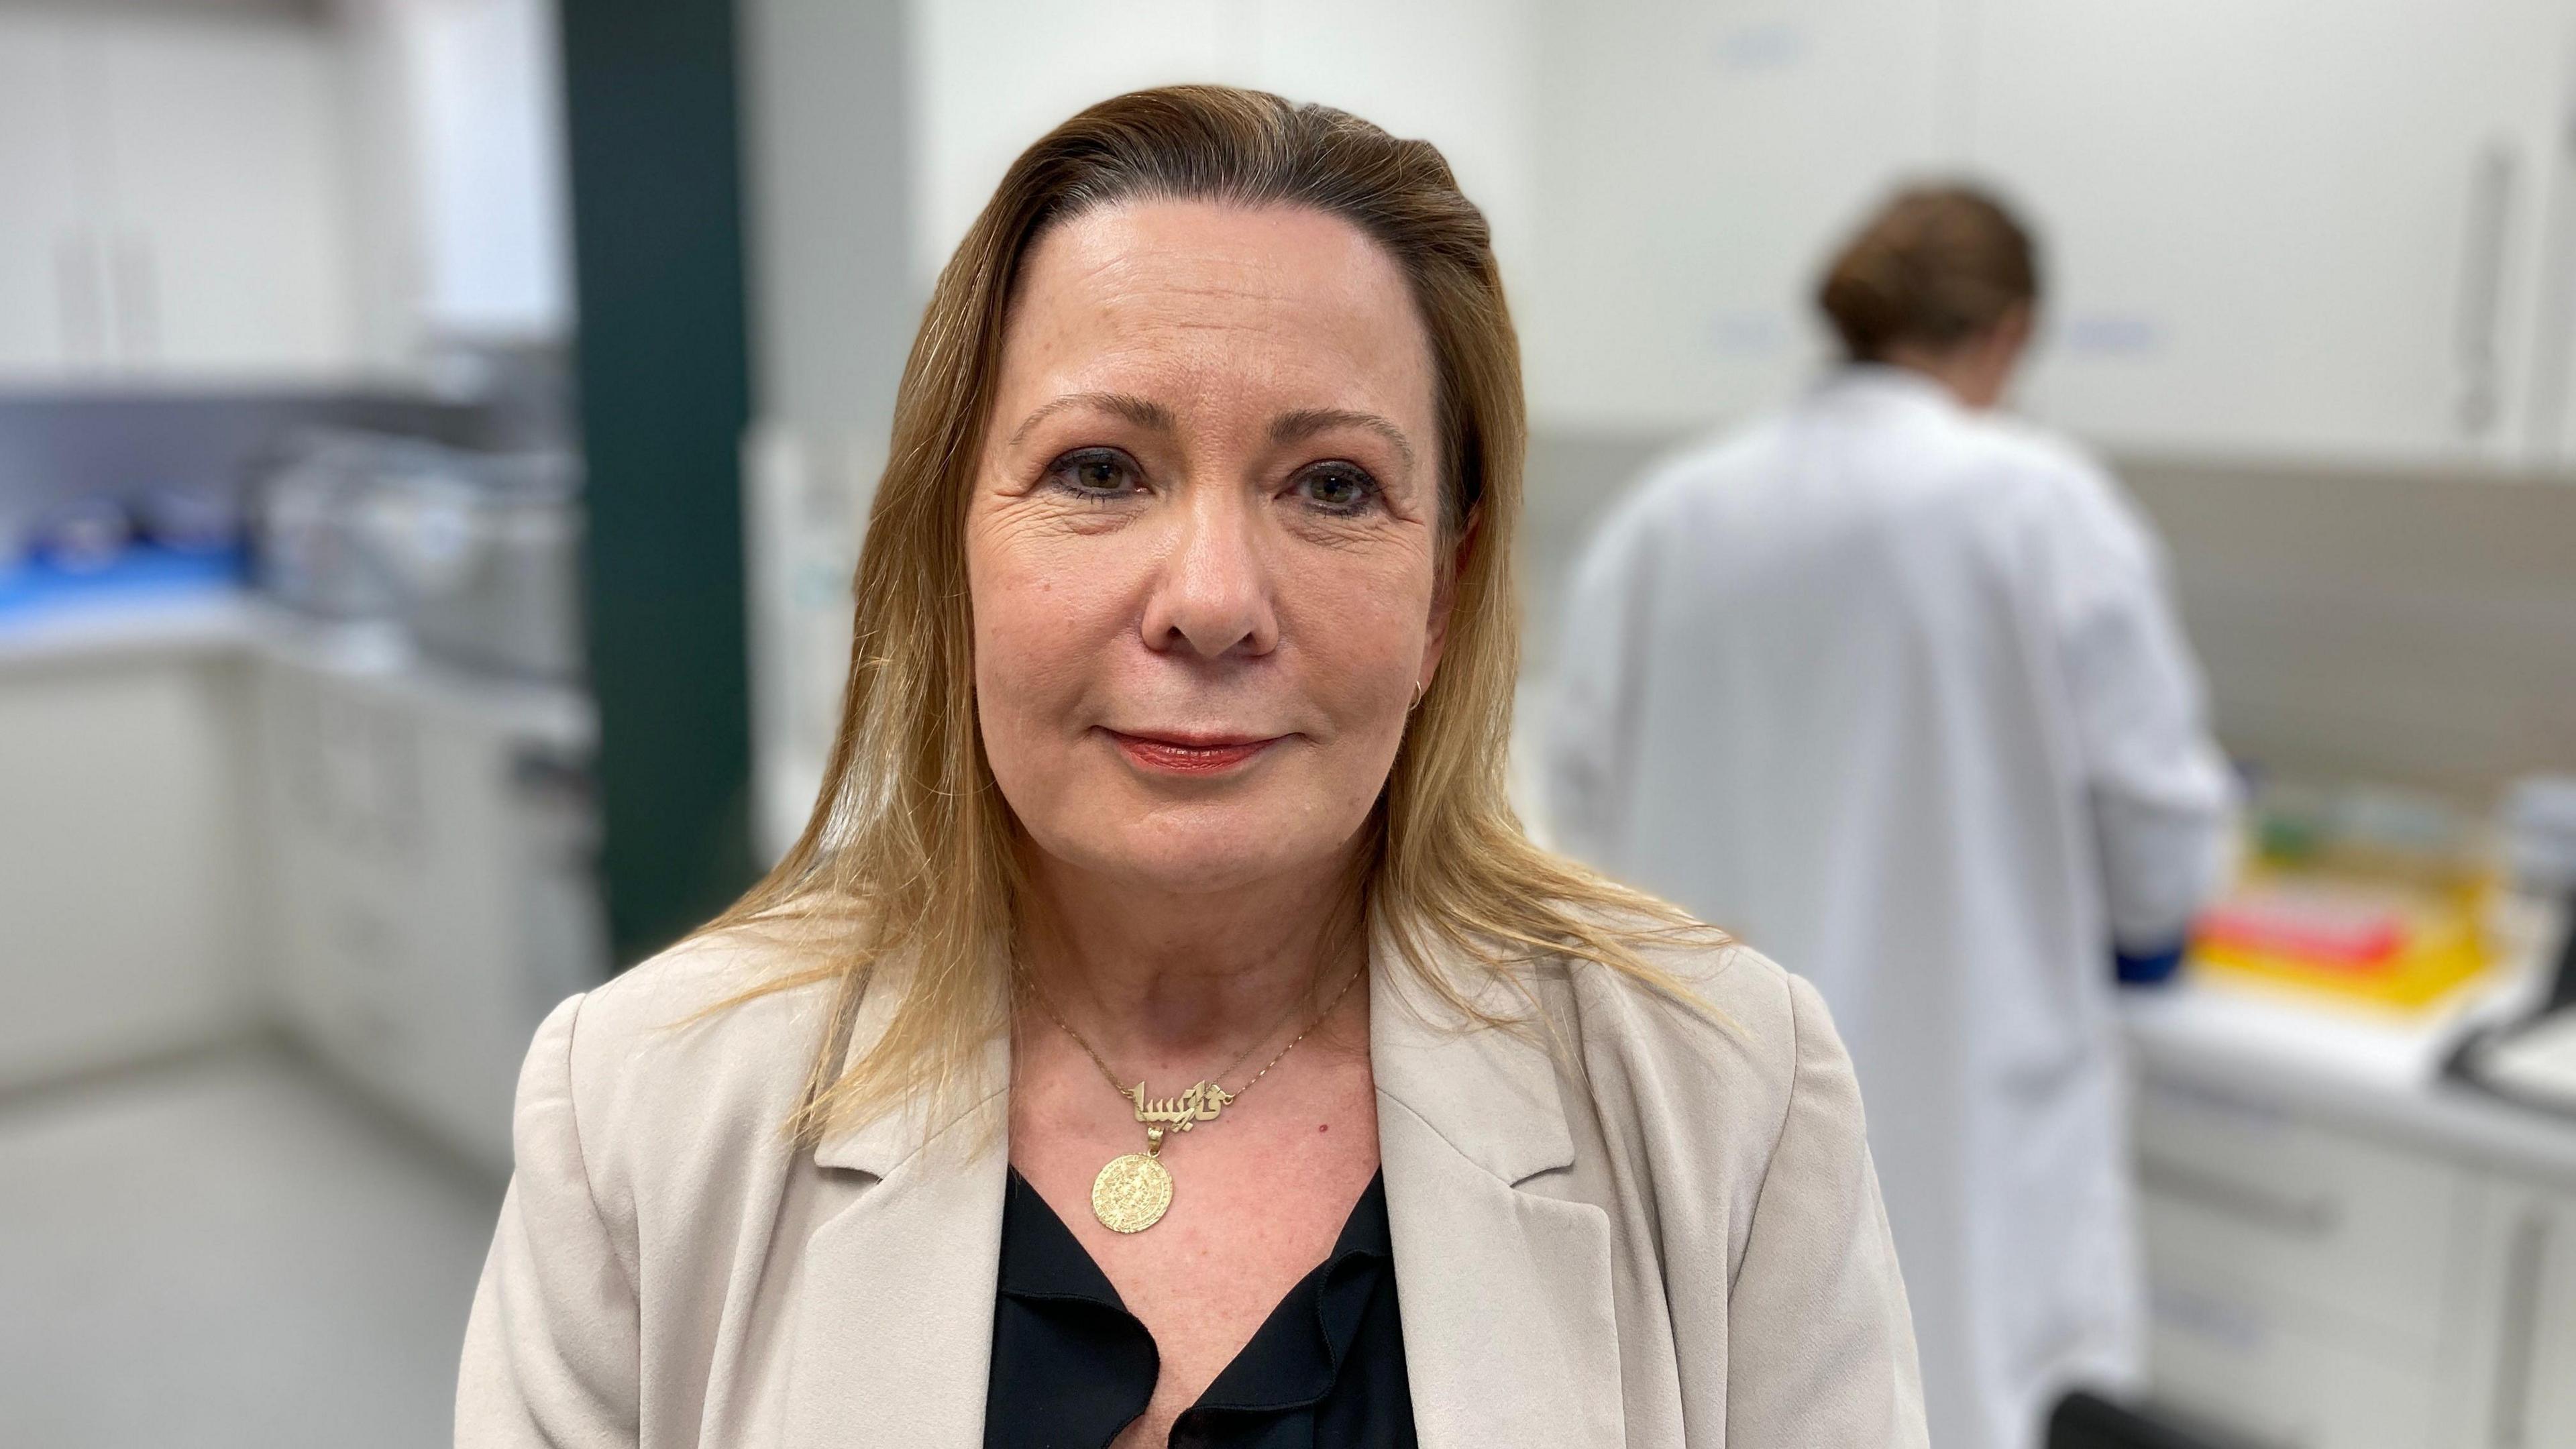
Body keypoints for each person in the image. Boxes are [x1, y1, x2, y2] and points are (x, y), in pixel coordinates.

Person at [457, 87, 1925, 1448]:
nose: (1212, 598)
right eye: (1100, 470)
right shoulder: (640, 1110)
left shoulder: (1728, 1095)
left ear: (1445, 596)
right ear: (949, 545)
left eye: (1333, 486)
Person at [1544, 186, 2235, 1449]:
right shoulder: (2039, 503)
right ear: (2011, 335)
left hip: (1706, 1097)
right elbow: (2160, 843)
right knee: (1956, 1399)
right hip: (1968, 1109)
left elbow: (1577, 810)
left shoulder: (1668, 512)